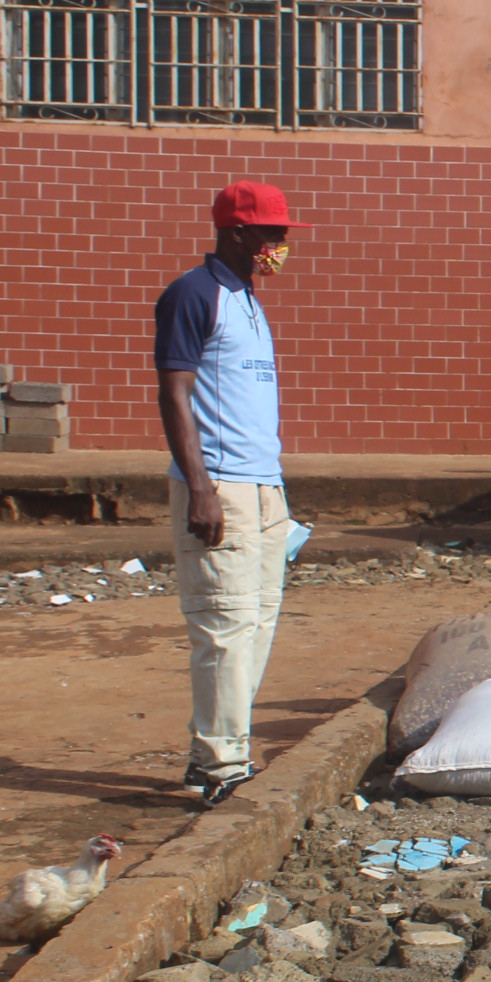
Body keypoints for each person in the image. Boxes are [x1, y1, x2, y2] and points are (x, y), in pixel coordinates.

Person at [153, 181, 310, 805]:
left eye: (284, 233)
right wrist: (200, 487)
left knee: (257, 624)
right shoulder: (194, 294)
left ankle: (215, 753)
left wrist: (276, 491)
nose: (281, 244)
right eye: (272, 233)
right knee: (223, 625)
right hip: (220, 486)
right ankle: (223, 765)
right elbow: (174, 392)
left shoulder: (248, 299)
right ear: (237, 232)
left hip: (264, 487)